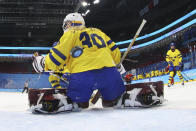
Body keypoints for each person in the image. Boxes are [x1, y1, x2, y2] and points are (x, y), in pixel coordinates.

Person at [33, 13, 126, 111]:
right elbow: (116, 54)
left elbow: (56, 58)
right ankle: (111, 99)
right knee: (110, 102)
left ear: (69, 24)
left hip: (83, 76)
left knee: (81, 104)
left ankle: (82, 102)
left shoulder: (71, 33)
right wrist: (116, 66)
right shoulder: (99, 32)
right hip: (110, 73)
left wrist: (43, 62)